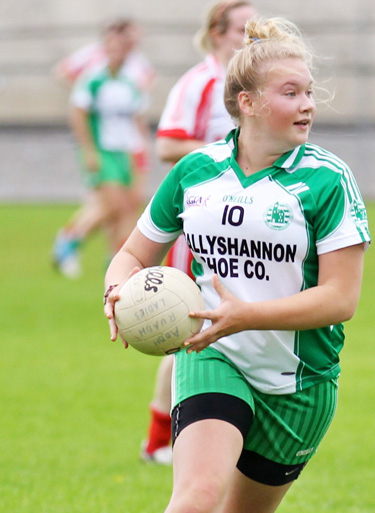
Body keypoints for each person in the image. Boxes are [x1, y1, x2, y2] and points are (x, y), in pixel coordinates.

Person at [101, 16, 371, 513]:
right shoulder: (196, 174)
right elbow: (137, 252)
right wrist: (117, 285)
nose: (307, 104)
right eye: (290, 91)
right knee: (192, 500)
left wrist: (245, 314)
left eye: (310, 91)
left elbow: (339, 300)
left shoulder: (327, 182)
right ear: (246, 102)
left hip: (299, 379)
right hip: (211, 356)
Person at [140, 0, 256, 465]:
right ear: (217, 33)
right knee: (191, 332)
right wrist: (226, 150)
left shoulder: (251, 87)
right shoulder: (201, 82)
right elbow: (168, 142)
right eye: (244, 29)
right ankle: (161, 439)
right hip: (201, 231)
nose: (252, 39)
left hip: (245, 229)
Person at [52, 19, 154, 277]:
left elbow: (138, 117)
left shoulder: (132, 76)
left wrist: (143, 150)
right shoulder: (94, 76)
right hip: (103, 149)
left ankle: (114, 263)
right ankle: (68, 241)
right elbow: (78, 113)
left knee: (129, 207)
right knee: (113, 205)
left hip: (127, 150)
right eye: (118, 41)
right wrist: (88, 151)